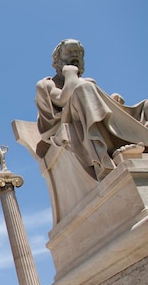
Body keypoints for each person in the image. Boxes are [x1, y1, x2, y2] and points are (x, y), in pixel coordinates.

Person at [36, 39, 148, 181]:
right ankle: (109, 152)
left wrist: (112, 100)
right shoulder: (46, 84)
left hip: (83, 113)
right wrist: (70, 74)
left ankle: (131, 142)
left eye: (77, 53)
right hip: (65, 121)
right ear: (57, 60)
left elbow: (96, 107)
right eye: (69, 52)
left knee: (146, 106)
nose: (74, 55)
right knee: (83, 88)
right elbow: (62, 100)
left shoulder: (87, 82)